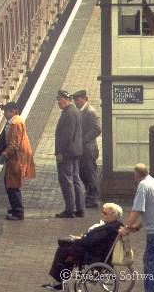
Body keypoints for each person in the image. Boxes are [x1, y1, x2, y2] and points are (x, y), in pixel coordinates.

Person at [119, 163, 154, 292]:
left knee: (152, 263)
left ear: (136, 176)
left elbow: (137, 210)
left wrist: (126, 228)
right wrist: (139, 225)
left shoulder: (143, 186)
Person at [42, 203, 125, 290]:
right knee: (65, 245)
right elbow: (94, 240)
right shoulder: (114, 226)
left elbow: (91, 241)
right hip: (95, 251)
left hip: (92, 255)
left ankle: (58, 283)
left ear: (113, 216)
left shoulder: (108, 228)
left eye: (105, 213)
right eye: (102, 212)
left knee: (62, 250)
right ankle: (58, 282)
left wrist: (78, 240)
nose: (102, 214)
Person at [0, 102, 35, 220]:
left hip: (17, 158)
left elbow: (14, 144)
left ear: (13, 111)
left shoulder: (15, 123)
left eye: (6, 111)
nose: (4, 114)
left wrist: (3, 156)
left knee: (13, 184)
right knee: (10, 182)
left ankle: (18, 212)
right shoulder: (16, 121)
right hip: (16, 157)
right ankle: (15, 208)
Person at [54, 89, 85, 218]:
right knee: (75, 179)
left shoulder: (68, 113)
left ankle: (70, 210)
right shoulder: (76, 111)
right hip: (75, 151)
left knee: (67, 180)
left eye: (58, 99)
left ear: (64, 99)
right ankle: (79, 209)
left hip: (66, 153)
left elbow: (67, 135)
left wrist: (60, 152)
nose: (57, 102)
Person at [73, 90, 102, 208]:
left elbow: (97, 129)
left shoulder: (90, 111)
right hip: (83, 149)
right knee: (83, 173)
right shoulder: (81, 111)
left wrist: (83, 140)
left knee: (90, 174)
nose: (76, 102)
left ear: (85, 98)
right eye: (75, 99)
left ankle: (93, 198)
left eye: (78, 99)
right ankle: (89, 196)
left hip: (89, 149)